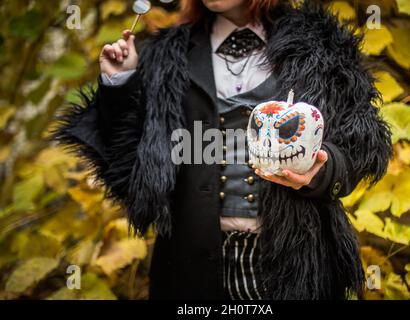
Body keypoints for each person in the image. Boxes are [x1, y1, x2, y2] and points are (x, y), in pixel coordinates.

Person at [54, 0, 392, 300]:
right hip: (190, 265)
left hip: (296, 262)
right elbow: (130, 163)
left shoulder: (322, 45)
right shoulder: (166, 55)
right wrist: (120, 83)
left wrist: (324, 170)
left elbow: (362, 144)